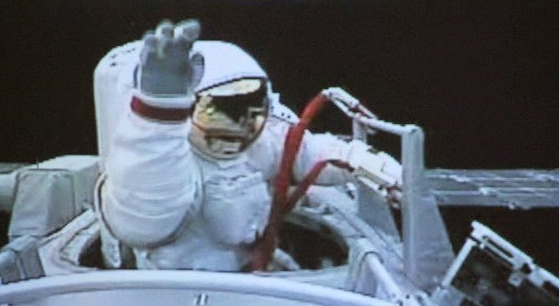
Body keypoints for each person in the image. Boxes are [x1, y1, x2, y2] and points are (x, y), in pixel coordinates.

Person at [96, 19, 401, 271]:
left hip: (254, 277)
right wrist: (158, 114)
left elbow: (314, 153)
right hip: (179, 294)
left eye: (252, 112)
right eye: (221, 113)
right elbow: (145, 213)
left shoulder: (261, 143)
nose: (241, 126)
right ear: (187, 109)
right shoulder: (169, 161)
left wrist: (382, 171)